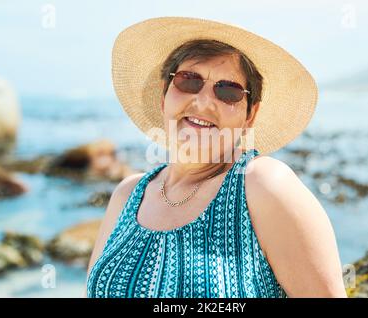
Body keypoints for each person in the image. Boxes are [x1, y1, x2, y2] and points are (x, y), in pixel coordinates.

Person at [85, 17, 347, 298]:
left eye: (228, 91)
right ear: (164, 96)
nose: (204, 101)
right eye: (188, 81)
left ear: (250, 115)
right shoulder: (127, 194)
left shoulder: (263, 185)